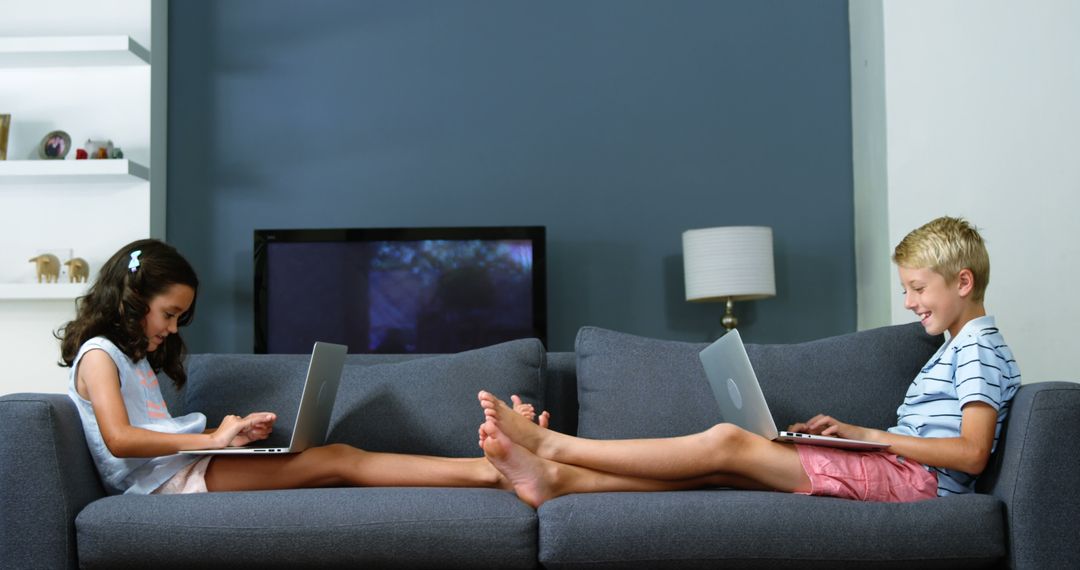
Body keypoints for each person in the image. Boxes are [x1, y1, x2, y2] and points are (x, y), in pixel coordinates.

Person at [478, 216, 1021, 507]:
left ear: (964, 282)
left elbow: (971, 454)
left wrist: (873, 441)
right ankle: (558, 480)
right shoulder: (958, 346)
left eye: (918, 289)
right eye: (907, 290)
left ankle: (553, 446)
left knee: (726, 442)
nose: (909, 304)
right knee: (719, 466)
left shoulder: (977, 346)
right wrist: (856, 433)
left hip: (916, 484)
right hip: (901, 471)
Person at [58, 238, 545, 495]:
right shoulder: (100, 354)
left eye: (180, 318)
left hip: (178, 468)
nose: (173, 328)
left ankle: (490, 470)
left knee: (338, 456)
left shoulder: (131, 356)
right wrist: (211, 440)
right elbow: (120, 439)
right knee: (339, 460)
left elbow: (147, 430)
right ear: (132, 297)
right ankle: (489, 472)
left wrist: (233, 437)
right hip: (162, 484)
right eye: (169, 315)